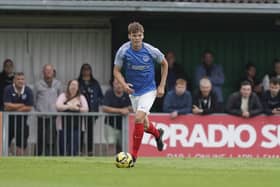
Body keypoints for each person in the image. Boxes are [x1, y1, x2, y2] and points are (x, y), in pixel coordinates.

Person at [113, 21, 168, 165]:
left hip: (149, 90)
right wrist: (124, 85)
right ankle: (157, 134)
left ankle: (133, 156)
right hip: (134, 92)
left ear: (143, 36)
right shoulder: (123, 51)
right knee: (144, 125)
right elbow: (116, 71)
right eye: (134, 35)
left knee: (138, 118)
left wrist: (161, 86)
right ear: (129, 36)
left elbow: (164, 63)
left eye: (139, 35)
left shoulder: (150, 50)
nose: (137, 38)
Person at [34, 64, 63, 155]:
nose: (48, 72)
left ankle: (51, 156)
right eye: (46, 70)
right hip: (41, 116)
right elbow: (34, 99)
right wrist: (38, 110)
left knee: (52, 138)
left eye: (50, 70)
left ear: (53, 72)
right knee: (40, 137)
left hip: (53, 116)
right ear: (43, 72)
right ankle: (37, 156)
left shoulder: (58, 84)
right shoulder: (38, 84)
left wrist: (57, 111)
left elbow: (61, 98)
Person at [3, 72, 33, 155]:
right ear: (14, 80)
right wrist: (21, 105)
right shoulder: (8, 89)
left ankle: (20, 161)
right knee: (5, 143)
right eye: (18, 79)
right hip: (8, 122)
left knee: (22, 145)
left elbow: (29, 107)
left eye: (22, 79)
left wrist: (13, 109)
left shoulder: (28, 90)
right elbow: (6, 106)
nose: (20, 81)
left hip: (22, 122)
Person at [56, 80, 88, 156]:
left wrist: (78, 109)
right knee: (63, 147)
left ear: (78, 87)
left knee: (74, 148)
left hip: (77, 126)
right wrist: (69, 106)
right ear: (68, 86)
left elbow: (86, 109)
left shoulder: (81, 97)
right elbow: (58, 106)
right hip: (63, 126)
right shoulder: (63, 96)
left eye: (75, 85)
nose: (73, 87)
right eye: (72, 85)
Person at [78, 63, 103, 155]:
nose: (86, 71)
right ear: (82, 71)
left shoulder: (95, 83)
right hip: (80, 112)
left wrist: (98, 103)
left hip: (92, 111)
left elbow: (100, 96)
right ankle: (79, 150)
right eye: (84, 69)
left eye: (88, 69)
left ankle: (90, 151)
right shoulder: (78, 82)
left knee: (90, 132)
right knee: (80, 131)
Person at [102, 78, 133, 153]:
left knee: (124, 145)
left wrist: (128, 109)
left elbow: (133, 107)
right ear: (113, 84)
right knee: (111, 144)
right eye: (116, 83)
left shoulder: (128, 93)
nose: (119, 86)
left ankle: (123, 162)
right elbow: (104, 108)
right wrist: (120, 111)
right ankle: (110, 162)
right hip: (110, 124)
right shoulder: (109, 93)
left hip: (124, 126)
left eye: (120, 83)